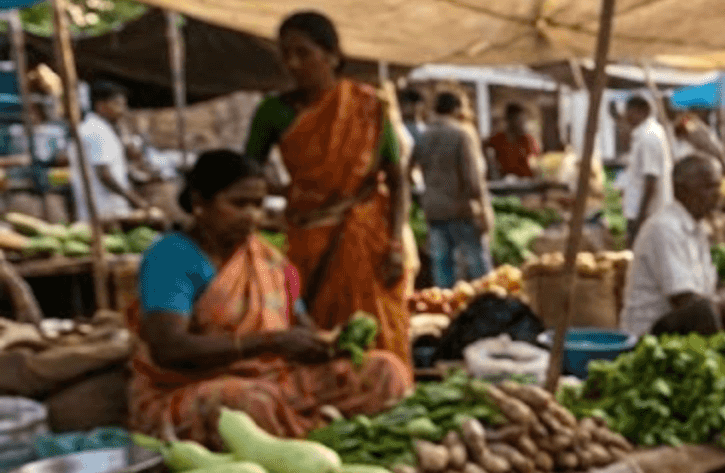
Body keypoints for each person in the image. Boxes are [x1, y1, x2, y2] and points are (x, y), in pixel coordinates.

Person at [130, 150, 406, 447]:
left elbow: (300, 327)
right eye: (239, 204)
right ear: (199, 203)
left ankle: (322, 435)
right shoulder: (171, 257)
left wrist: (328, 344)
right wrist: (271, 342)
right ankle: (313, 439)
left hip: (276, 378)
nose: (252, 215)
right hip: (193, 386)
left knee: (384, 370)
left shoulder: (270, 260)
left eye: (258, 204)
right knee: (252, 405)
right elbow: (169, 348)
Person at [245, 11, 415, 366]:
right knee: (313, 336)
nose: (293, 64)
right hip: (306, 237)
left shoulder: (368, 107)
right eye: (286, 54)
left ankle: (387, 390)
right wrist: (286, 193)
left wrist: (396, 243)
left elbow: (396, 179)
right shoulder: (272, 112)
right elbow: (247, 173)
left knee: (375, 336)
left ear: (333, 56)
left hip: (365, 237)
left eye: (303, 53)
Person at [620, 156, 725, 337]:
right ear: (682, 190)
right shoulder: (664, 228)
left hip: (679, 323)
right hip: (650, 333)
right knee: (703, 311)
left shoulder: (697, 228)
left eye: (718, 186)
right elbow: (685, 300)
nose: (718, 194)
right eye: (708, 187)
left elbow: (709, 290)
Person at [411, 91, 493, 289]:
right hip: (461, 209)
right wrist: (484, 210)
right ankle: (488, 302)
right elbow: (473, 179)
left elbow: (408, 170)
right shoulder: (461, 134)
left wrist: (426, 192)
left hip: (434, 210)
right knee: (478, 267)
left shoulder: (424, 136)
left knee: (442, 269)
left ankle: (446, 305)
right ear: (456, 109)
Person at [70, 81, 146, 225]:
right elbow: (105, 175)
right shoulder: (96, 131)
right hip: (104, 211)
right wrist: (136, 201)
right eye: (117, 104)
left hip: (106, 210)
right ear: (101, 106)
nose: (122, 110)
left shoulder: (103, 129)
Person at [618, 96, 673, 246]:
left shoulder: (649, 136)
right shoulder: (646, 133)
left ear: (641, 111)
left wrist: (640, 218)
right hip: (644, 213)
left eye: (629, 113)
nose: (627, 118)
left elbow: (651, 179)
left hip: (647, 214)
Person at [484, 102, 540, 180]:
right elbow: (485, 151)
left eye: (523, 120)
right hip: (504, 182)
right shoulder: (497, 139)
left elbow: (535, 162)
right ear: (509, 120)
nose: (522, 124)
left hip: (527, 182)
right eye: (519, 120)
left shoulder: (528, 140)